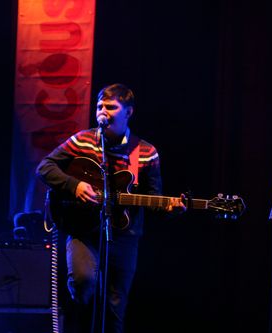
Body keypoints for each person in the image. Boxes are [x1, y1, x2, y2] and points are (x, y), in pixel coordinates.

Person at [36, 83, 186, 333]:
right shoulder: (82, 140)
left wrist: (170, 209)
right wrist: (75, 186)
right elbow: (45, 167)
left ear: (128, 112)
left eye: (110, 107)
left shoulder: (146, 152)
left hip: (124, 237)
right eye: (99, 106)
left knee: (116, 308)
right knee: (84, 284)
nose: (102, 112)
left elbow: (154, 199)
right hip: (83, 231)